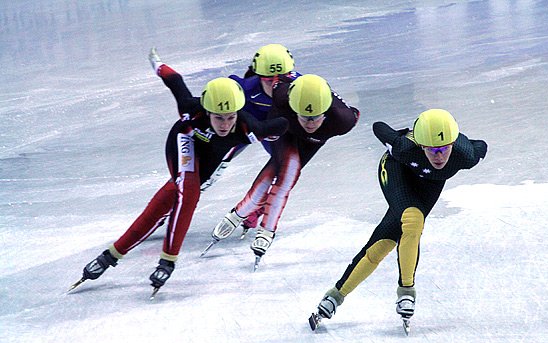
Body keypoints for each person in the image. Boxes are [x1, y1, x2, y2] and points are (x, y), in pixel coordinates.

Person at [78, 73, 289, 292]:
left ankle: (111, 255)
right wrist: (157, 63)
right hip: (184, 141)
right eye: (218, 117)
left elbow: (282, 124)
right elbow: (175, 81)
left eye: (230, 117)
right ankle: (168, 260)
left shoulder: (250, 127)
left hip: (208, 161)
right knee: (188, 193)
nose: (225, 124)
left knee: (165, 203)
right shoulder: (192, 109)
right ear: (207, 112)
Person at [310, 109, 488, 329]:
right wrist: (402, 135)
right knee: (413, 220)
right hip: (397, 171)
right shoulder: (405, 148)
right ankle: (406, 291)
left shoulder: (465, 155)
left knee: (383, 243)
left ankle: (336, 295)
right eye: (432, 150)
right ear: (422, 146)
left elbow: (481, 145)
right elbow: (378, 126)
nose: (439, 156)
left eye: (444, 149)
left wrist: (461, 142)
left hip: (428, 186)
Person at [209, 73, 360, 264]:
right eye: (305, 117)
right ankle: (258, 224)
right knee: (286, 173)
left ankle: (243, 216)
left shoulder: (343, 120)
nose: (310, 123)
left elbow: (355, 113)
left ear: (326, 113)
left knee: (283, 173)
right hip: (286, 129)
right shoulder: (282, 96)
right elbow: (278, 78)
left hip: (311, 143)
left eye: (315, 118)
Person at [150, 44, 299, 233]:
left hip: (272, 131)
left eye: (283, 78)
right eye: (269, 80)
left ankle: (256, 208)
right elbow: (213, 96)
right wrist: (159, 67)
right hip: (239, 130)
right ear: (259, 77)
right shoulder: (245, 88)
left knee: (284, 168)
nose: (276, 84)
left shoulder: (300, 88)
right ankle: (164, 211)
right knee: (198, 178)